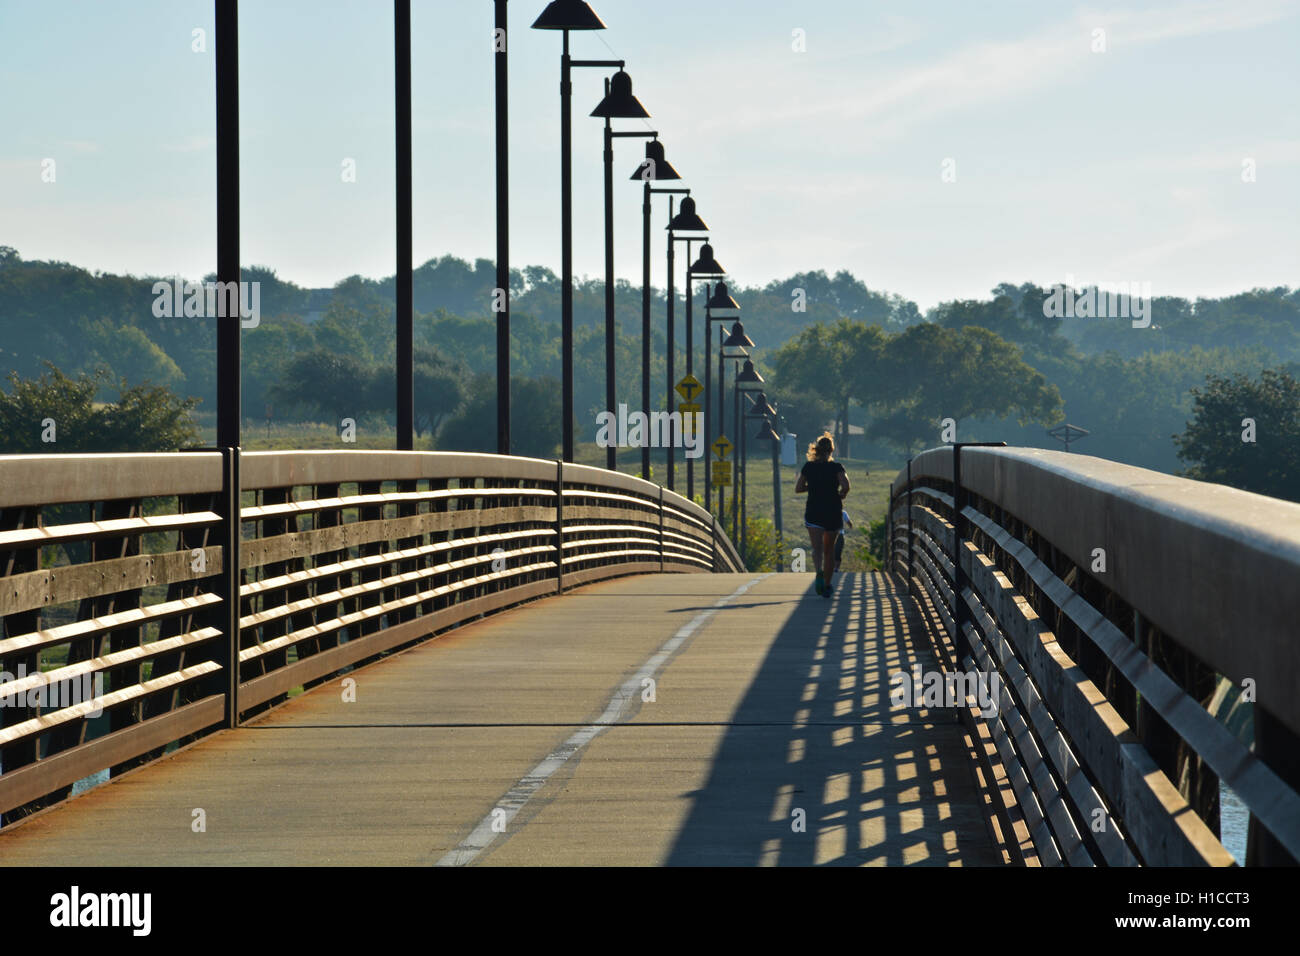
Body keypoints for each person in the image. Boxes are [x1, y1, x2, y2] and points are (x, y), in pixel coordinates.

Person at [794, 432, 850, 597]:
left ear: (816, 450)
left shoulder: (808, 467)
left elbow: (798, 488)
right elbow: (846, 485)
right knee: (829, 550)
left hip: (814, 511)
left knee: (816, 548)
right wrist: (842, 494)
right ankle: (826, 584)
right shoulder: (836, 467)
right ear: (831, 450)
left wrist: (811, 488)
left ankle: (818, 571)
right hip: (832, 511)